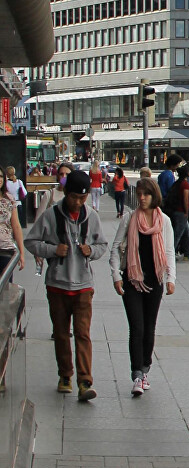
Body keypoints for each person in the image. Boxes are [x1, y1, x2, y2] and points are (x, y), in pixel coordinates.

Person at [25, 170, 107, 401]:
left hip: (83, 286)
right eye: (74, 197)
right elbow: (31, 241)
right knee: (61, 334)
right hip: (57, 285)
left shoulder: (91, 216)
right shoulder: (51, 215)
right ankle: (65, 376)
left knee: (83, 334)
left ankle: (85, 381)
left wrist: (91, 251)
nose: (78, 202)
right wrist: (52, 250)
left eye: (83, 198)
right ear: (65, 193)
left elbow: (102, 244)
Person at [108, 177, 175, 397]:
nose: (142, 198)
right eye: (140, 194)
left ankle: (145, 367)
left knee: (149, 328)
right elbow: (116, 248)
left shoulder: (163, 221)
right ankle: (137, 374)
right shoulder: (129, 219)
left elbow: (169, 251)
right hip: (132, 280)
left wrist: (170, 278)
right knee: (136, 328)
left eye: (146, 194)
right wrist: (116, 276)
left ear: (154, 195)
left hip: (154, 280)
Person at [163, 162, 189, 261]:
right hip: (181, 212)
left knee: (187, 232)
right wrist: (186, 212)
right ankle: (170, 254)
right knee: (178, 234)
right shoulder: (185, 184)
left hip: (175, 210)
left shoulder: (177, 183)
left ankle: (187, 252)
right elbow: (185, 199)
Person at [0, 179, 25, 272]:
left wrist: (21, 253)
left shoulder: (9, 199)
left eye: (1, 176)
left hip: (6, 249)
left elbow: (16, 226)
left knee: (5, 285)